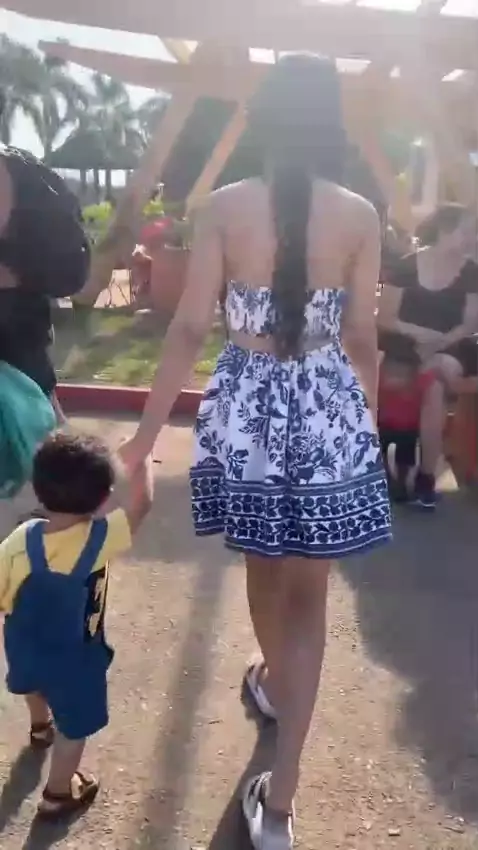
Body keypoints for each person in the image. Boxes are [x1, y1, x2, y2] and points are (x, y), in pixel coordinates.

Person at [119, 54, 391, 850]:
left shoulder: (225, 207)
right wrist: (365, 430)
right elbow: (363, 338)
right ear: (331, 122)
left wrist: (142, 441)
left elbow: (187, 327)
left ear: (263, 118)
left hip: (247, 415)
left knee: (265, 572)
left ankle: (275, 681)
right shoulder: (360, 214)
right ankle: (280, 804)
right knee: (310, 599)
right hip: (329, 411)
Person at [0, 431, 153, 819]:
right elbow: (142, 503)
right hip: (76, 658)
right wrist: (142, 457)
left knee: (32, 684)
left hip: (23, 642)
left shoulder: (20, 539)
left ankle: (39, 727)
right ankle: (57, 793)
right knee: (75, 727)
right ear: (104, 498)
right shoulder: (102, 538)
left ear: (37, 488)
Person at [378, 203, 478, 509]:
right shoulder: (407, 266)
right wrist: (419, 334)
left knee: (434, 381)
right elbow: (385, 318)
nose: (473, 238)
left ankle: (425, 475)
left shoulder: (471, 271)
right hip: (405, 342)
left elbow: (469, 323)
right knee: (427, 384)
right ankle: (421, 475)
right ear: (445, 231)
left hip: (449, 345)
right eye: (467, 231)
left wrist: (440, 342)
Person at [378, 348, 436, 503]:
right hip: (384, 426)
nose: (396, 378)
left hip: (408, 429)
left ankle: (401, 483)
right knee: (379, 453)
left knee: (404, 459)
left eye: (402, 374)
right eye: (393, 372)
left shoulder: (421, 382)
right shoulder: (379, 381)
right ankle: (390, 481)